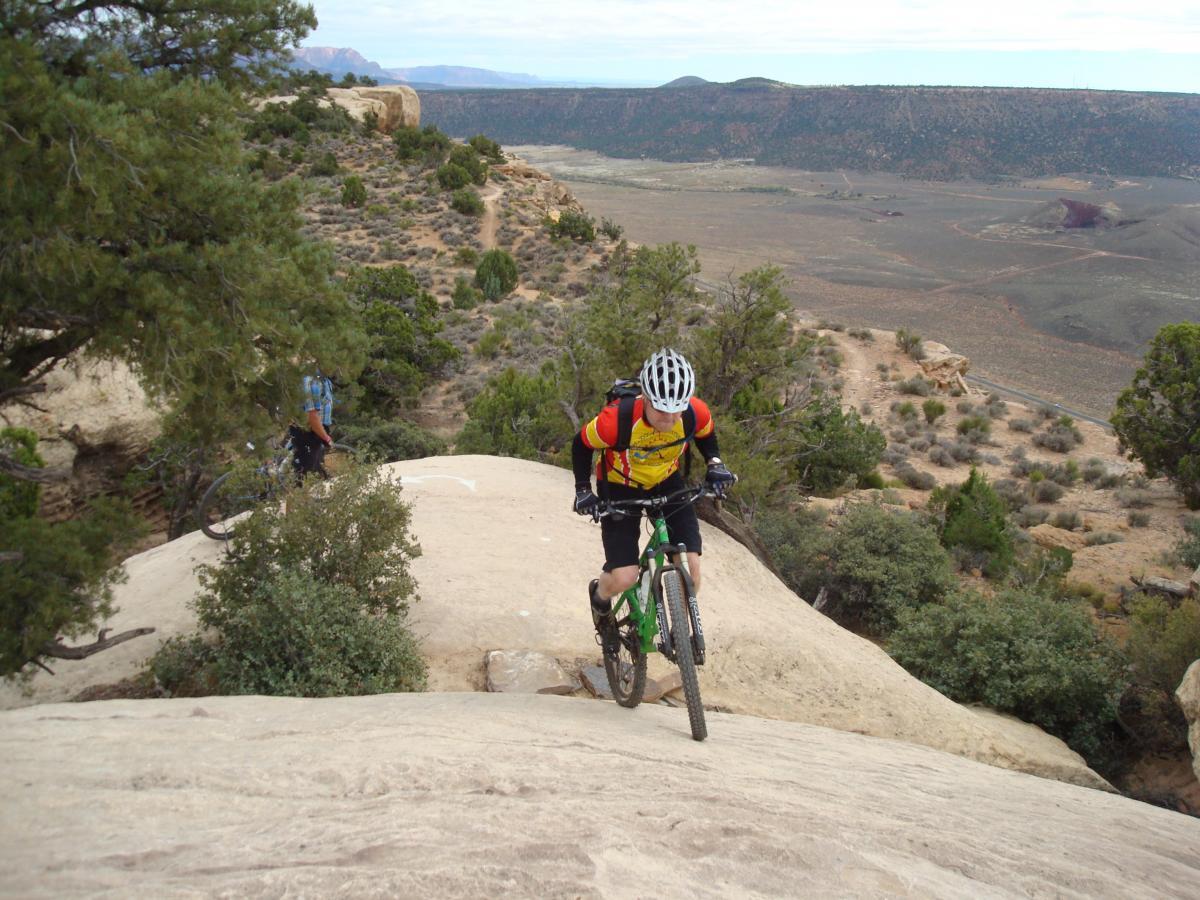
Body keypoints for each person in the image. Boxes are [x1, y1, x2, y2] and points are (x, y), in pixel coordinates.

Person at [571, 347, 736, 653]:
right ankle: (600, 599)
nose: (670, 418)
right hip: (620, 484)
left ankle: (680, 634)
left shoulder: (694, 412)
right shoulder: (615, 420)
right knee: (624, 576)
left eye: (677, 409)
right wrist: (583, 490)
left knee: (692, 568)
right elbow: (581, 444)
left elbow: (706, 435)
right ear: (645, 399)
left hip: (667, 481)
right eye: (661, 410)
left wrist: (715, 464)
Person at [290, 368, 334, 479]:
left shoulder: (325, 380)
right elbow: (312, 417)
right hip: (309, 431)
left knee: (316, 469)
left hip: (318, 429)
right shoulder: (311, 382)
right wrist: (326, 438)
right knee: (306, 474)